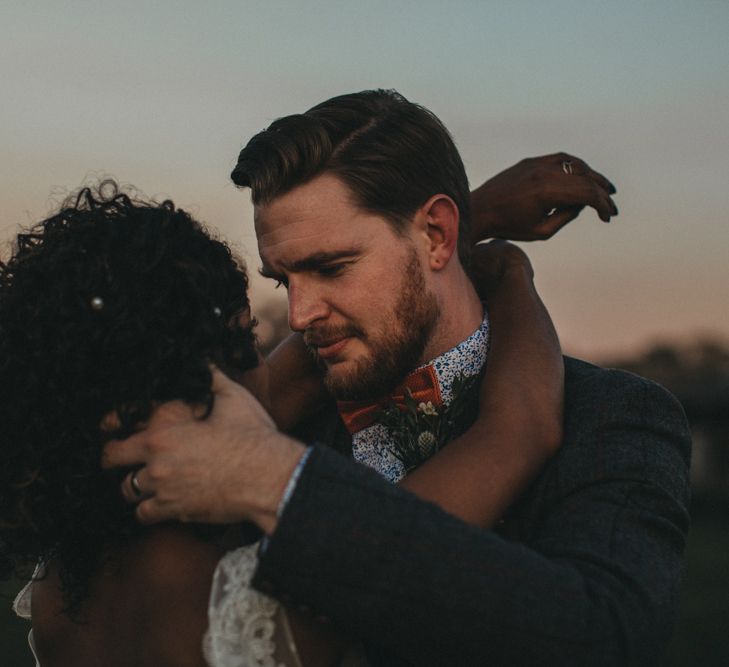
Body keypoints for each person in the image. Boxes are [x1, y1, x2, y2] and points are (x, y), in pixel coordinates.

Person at [103, 89, 691, 665]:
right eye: (285, 281)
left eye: (330, 267)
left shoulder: (615, 414)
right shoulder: (265, 427)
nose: (300, 315)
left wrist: (282, 485)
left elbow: (606, 636)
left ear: (437, 234)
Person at [4, 161, 586, 666]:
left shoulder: (60, 585)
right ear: (204, 383)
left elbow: (308, 366)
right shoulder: (267, 585)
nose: (284, 347)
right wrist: (511, 273)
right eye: (248, 339)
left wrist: (456, 225)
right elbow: (520, 429)